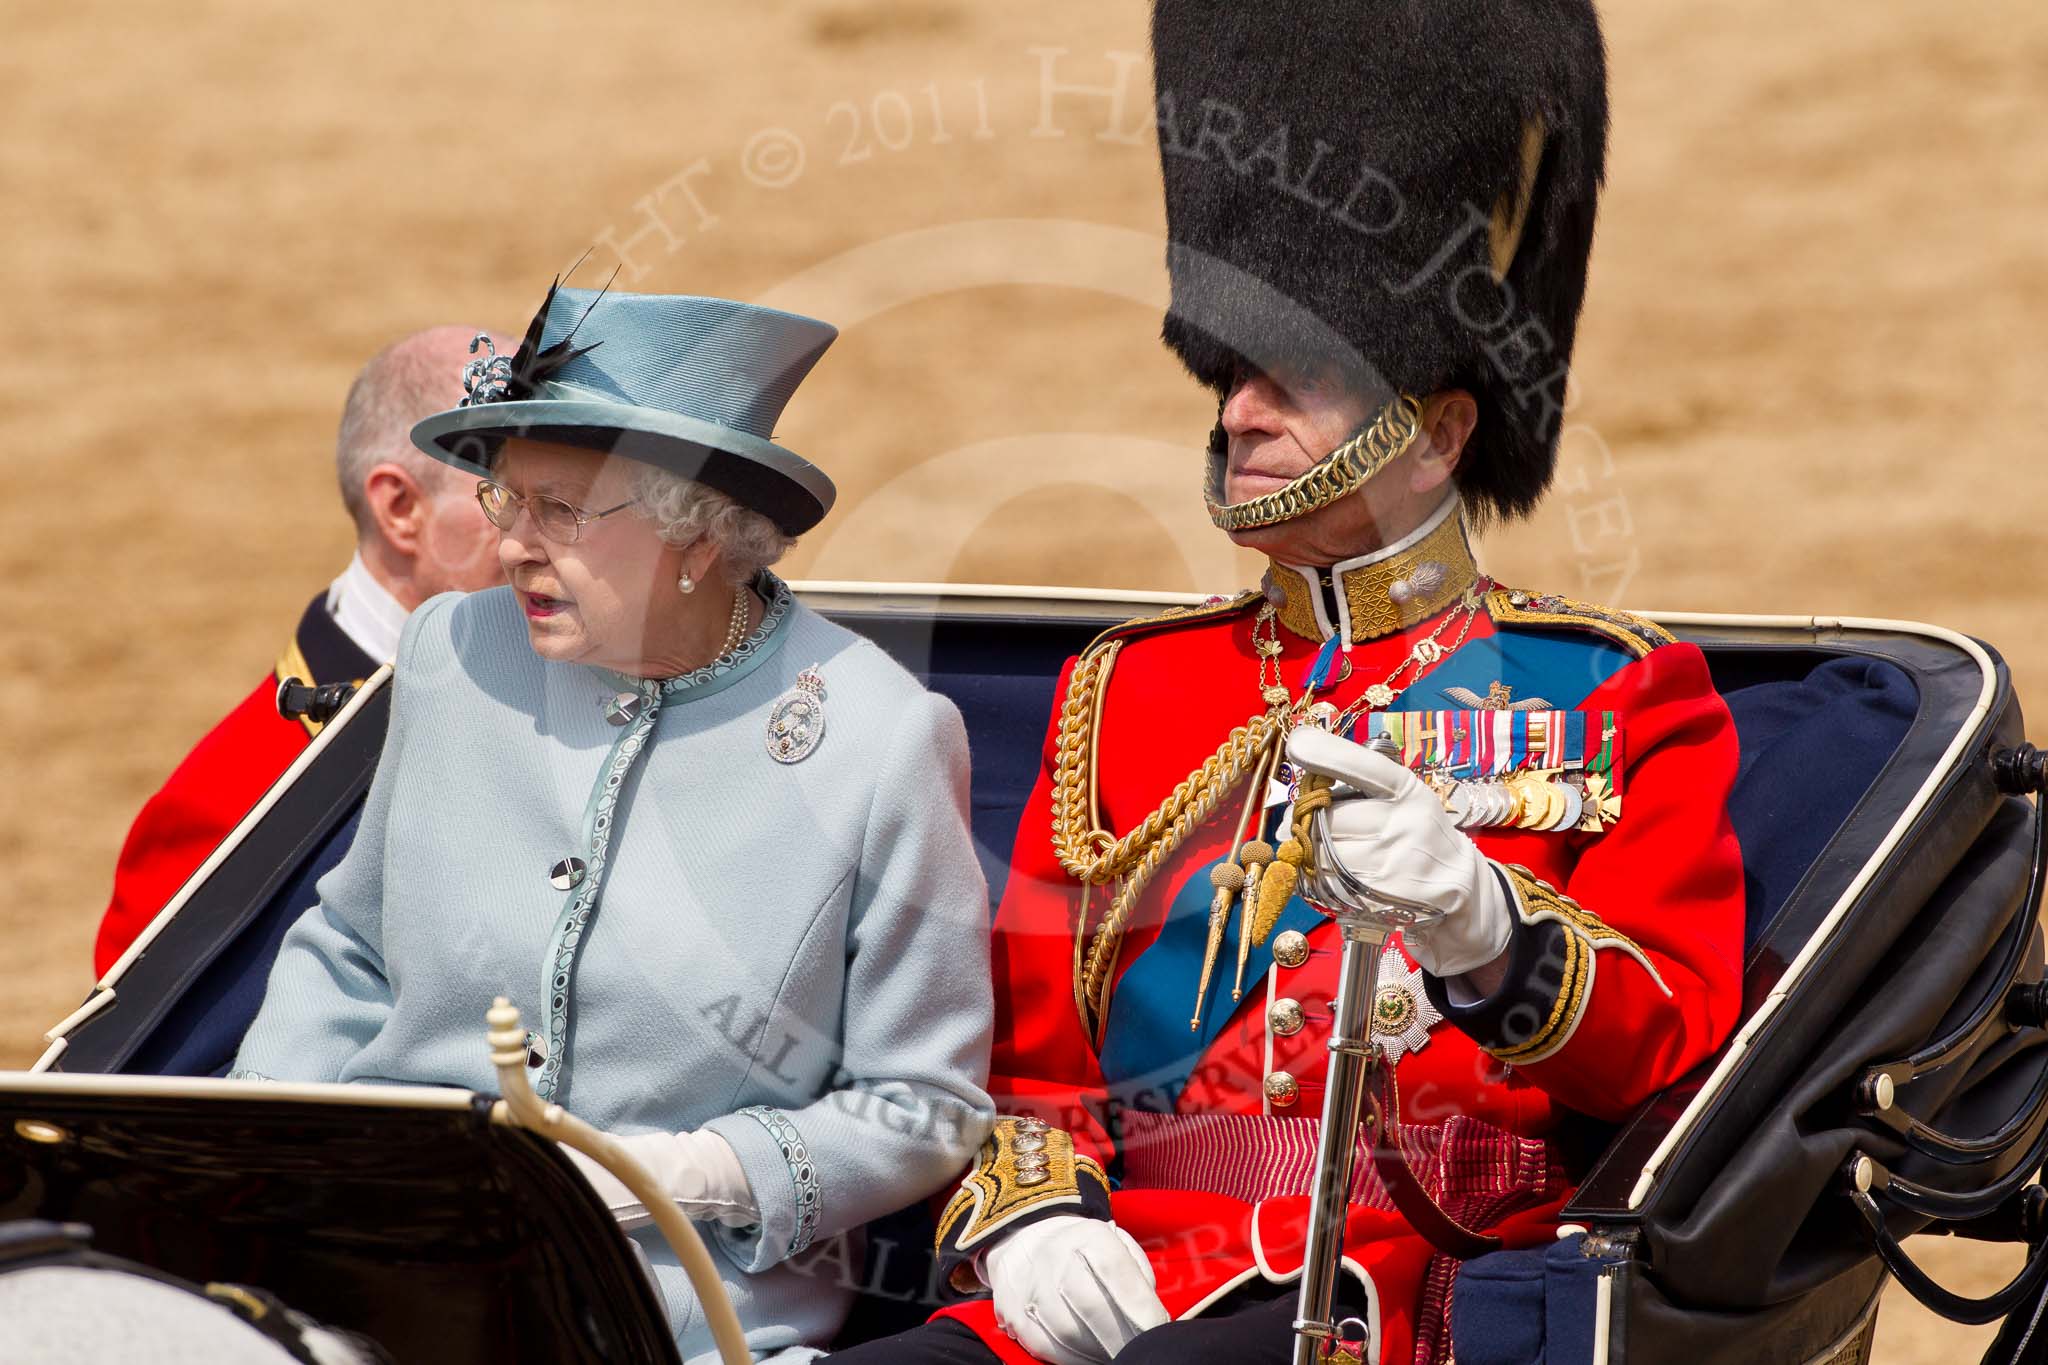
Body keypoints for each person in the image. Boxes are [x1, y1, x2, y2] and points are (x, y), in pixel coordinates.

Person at [832, 3, 1745, 1363]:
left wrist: (1489, 928)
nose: (1238, 414)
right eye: (1228, 371)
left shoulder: (1612, 690)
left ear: (1437, 432)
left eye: (1296, 377)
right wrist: (1032, 1216)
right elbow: (1026, 1063)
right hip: (1118, 1268)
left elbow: (1667, 1047)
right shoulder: (1128, 688)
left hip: (1397, 1286)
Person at [229, 282, 997, 1362]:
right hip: (379, 1266)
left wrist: (691, 1174)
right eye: (506, 502)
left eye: (559, 512)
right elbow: (350, 947)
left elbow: (923, 1102)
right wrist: (269, 1142)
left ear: (697, 535)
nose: (510, 551)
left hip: (670, 1316)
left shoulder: (879, 738)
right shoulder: (454, 651)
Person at [92, 325, 513, 975]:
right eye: (508, 493)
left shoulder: (597, 674)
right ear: (401, 507)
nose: (551, 528)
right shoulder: (233, 802)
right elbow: (161, 1063)